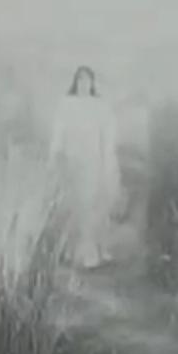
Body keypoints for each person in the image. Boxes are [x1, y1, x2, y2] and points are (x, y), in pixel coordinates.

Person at [48, 65, 123, 269]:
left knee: (92, 206)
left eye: (87, 80)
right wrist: (54, 156)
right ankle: (73, 251)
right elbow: (58, 133)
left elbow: (107, 136)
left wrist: (107, 161)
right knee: (73, 207)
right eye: (80, 80)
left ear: (92, 83)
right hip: (71, 162)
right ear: (75, 82)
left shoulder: (100, 106)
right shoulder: (66, 104)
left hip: (93, 162)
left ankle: (93, 252)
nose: (83, 84)